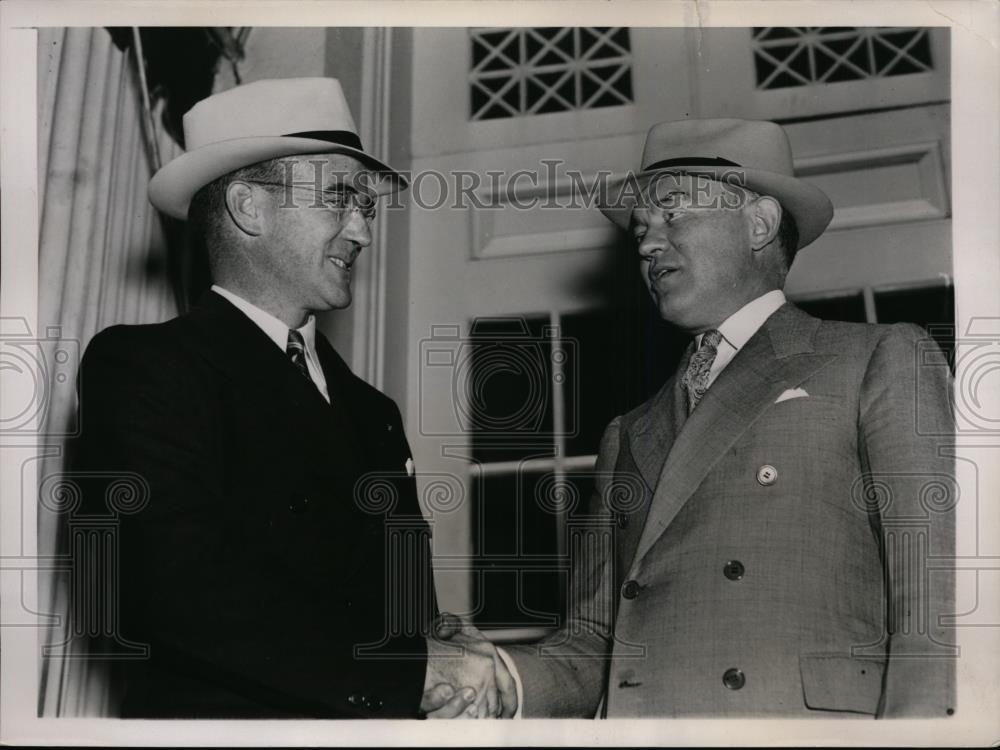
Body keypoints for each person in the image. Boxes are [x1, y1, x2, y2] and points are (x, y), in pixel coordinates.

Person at [457, 118, 957, 717]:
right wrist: (497, 679)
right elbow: (591, 644)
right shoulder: (627, 434)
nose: (645, 243)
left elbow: (936, 596)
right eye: (641, 228)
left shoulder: (877, 358)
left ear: (760, 223)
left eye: (673, 214)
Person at [72, 77, 512, 719]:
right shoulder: (147, 367)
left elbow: (377, 604)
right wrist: (406, 670)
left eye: (365, 205)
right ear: (249, 208)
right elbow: (164, 590)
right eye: (339, 199)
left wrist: (436, 638)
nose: (362, 231)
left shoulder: (373, 413)